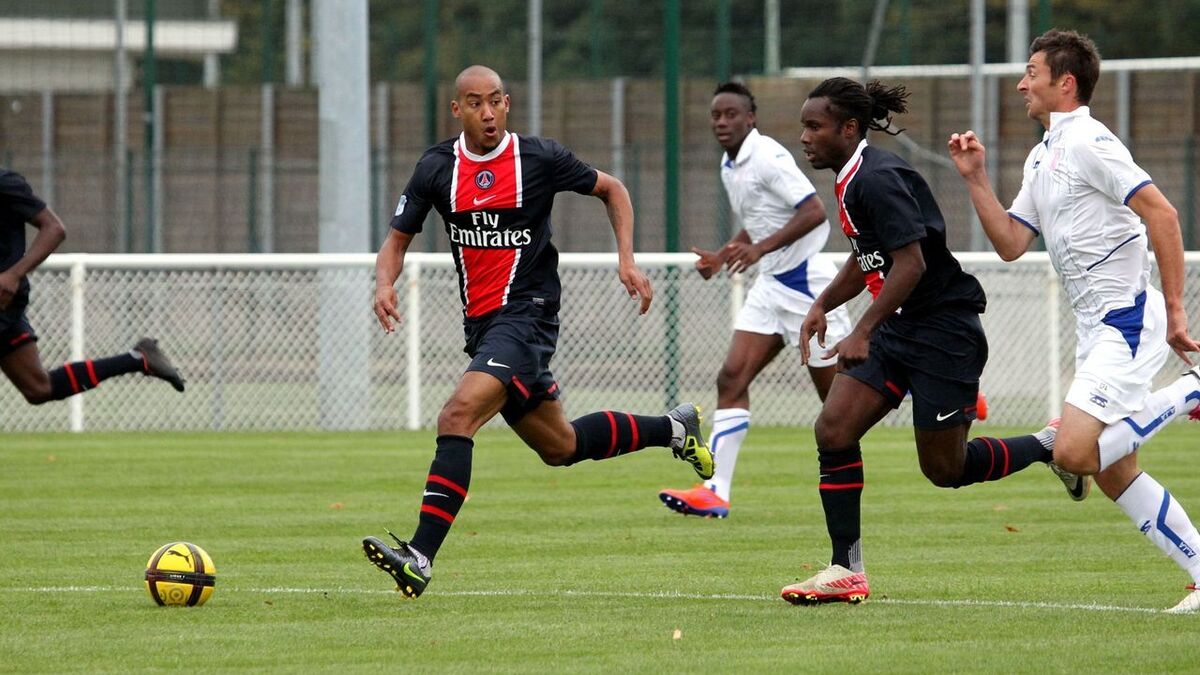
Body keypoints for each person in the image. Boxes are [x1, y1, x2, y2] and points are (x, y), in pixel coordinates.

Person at [362, 65, 714, 599]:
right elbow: (397, 238)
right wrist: (384, 284)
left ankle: (420, 555)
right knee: (561, 445)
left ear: (507, 103)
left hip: (528, 316)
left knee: (457, 414)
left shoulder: (539, 158)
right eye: (474, 103)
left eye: (495, 101)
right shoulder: (436, 167)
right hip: (485, 328)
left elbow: (613, 190)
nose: (487, 112)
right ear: (456, 110)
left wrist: (626, 260)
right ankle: (673, 428)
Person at [778, 77, 1084, 607]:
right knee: (833, 428)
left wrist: (862, 329)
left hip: (943, 332)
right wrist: (823, 303)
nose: (804, 137)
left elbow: (911, 263)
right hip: (901, 328)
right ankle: (845, 568)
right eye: (804, 125)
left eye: (814, 126)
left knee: (946, 470)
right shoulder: (852, 177)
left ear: (849, 129)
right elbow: (870, 256)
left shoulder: (877, 178)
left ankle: (1047, 446)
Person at [949, 29, 1200, 613]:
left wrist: (1177, 311)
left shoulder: (1088, 139)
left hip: (1128, 320)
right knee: (1112, 470)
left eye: (1031, 72)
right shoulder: (1043, 154)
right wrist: (974, 179)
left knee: (1074, 453)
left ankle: (1191, 390)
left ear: (1065, 83)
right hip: (1099, 331)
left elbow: (1162, 214)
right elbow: (1012, 242)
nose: (1021, 84)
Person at [657, 82, 851, 519]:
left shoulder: (768, 157)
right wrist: (724, 255)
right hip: (771, 285)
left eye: (731, 114)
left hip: (804, 285)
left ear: (751, 118)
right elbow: (760, 222)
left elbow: (813, 210)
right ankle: (715, 491)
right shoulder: (731, 164)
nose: (722, 122)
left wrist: (759, 251)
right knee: (731, 379)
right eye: (715, 115)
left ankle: (946, 388)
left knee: (842, 405)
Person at [0, 169, 184, 404]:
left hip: (4, 298)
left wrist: (13, 275)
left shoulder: (4, 183)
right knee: (39, 388)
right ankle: (138, 358)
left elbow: (54, 228)